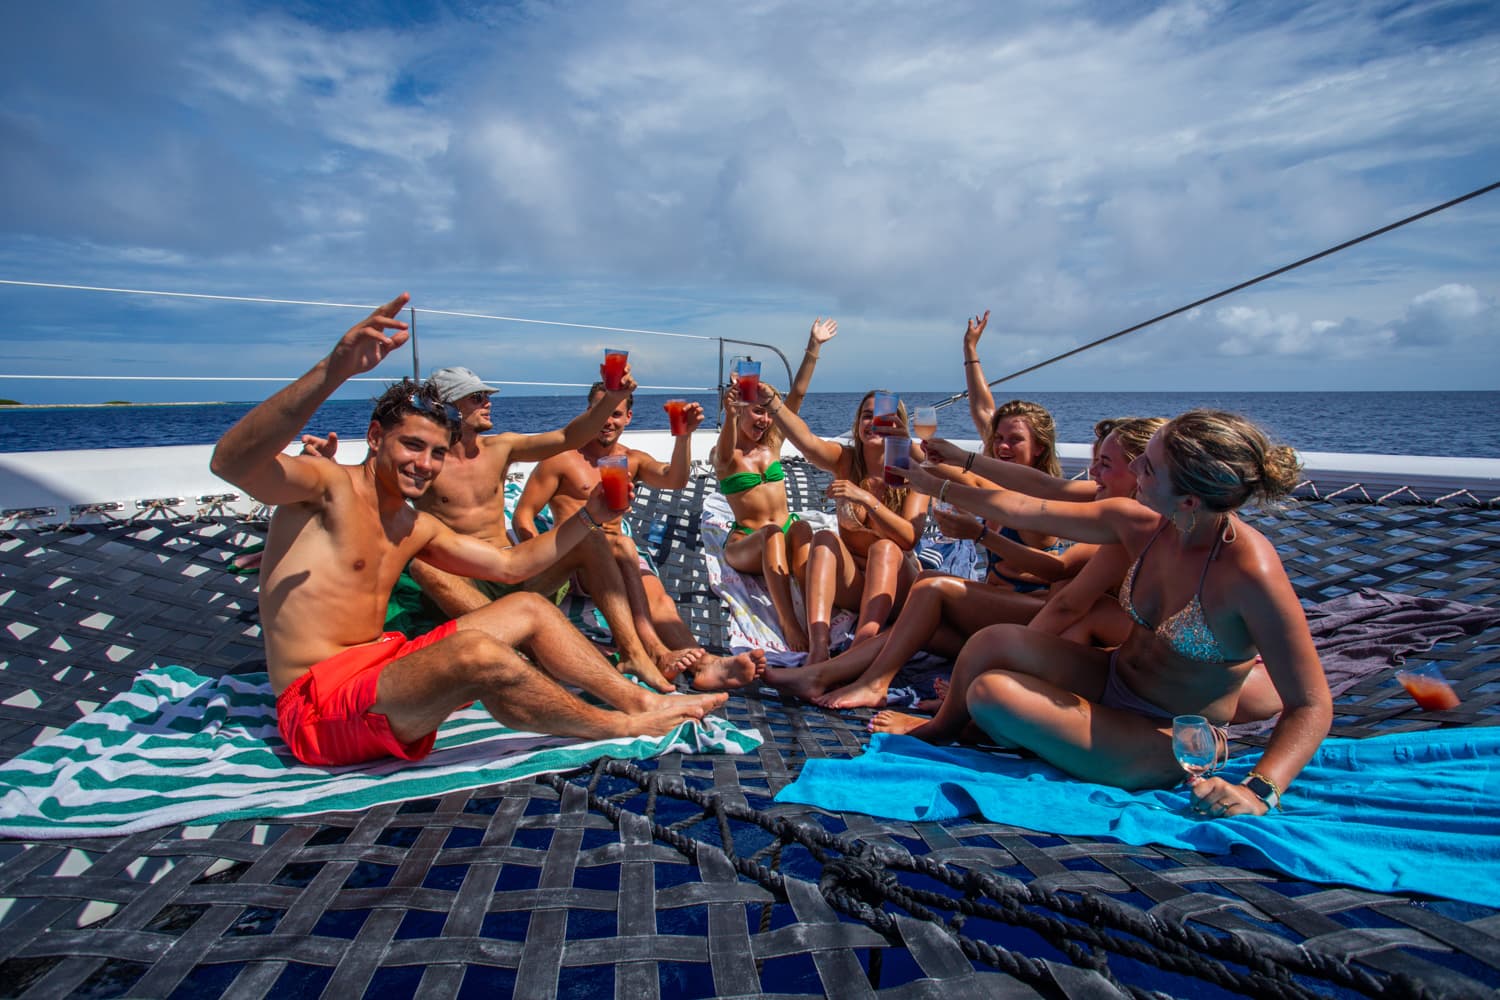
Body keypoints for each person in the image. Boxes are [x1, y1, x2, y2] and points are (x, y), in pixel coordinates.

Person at [210, 293, 725, 768]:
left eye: (436, 452)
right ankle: (619, 725)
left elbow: (511, 566)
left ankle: (642, 698)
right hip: (319, 706)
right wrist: (334, 370)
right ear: (373, 438)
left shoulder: (414, 523)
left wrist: (590, 515)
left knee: (527, 606)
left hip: (382, 666)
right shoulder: (326, 485)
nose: (426, 464)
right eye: (412, 446)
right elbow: (232, 463)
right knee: (478, 653)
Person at [894, 410, 1331, 815]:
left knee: (991, 693)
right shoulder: (1142, 522)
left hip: (1168, 733)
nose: (1137, 469)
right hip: (1113, 676)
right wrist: (933, 483)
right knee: (995, 641)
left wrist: (1260, 790)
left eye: (1150, 466)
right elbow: (1029, 506)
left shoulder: (1249, 574)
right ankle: (941, 729)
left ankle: (1050, 738)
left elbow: (1310, 703)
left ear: (1190, 500)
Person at [773, 417, 1164, 710]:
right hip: (1039, 619)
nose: (1092, 471)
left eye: (1104, 464)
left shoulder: (1132, 520)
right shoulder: (1112, 505)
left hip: (1063, 634)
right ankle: (824, 674)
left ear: (1141, 471)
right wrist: (961, 459)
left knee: (932, 588)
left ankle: (884, 686)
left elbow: (1032, 516)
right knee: (922, 617)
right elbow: (1042, 495)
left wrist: (951, 502)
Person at [403, 361, 704, 693]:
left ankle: (634, 653)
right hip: (464, 583)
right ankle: (518, 644)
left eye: (486, 396)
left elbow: (565, 436)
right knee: (421, 564)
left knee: (593, 538)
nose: (488, 402)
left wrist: (613, 396)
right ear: (445, 405)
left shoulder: (500, 448)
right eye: (475, 398)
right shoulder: (424, 463)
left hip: (510, 569)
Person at [513, 383, 766, 690]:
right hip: (575, 560)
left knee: (659, 598)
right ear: (588, 413)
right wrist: (535, 558)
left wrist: (683, 437)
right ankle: (656, 651)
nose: (608, 420)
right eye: (600, 411)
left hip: (622, 559)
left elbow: (675, 480)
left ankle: (704, 665)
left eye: (615, 413)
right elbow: (523, 514)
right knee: (622, 544)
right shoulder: (562, 459)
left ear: (629, 417)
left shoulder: (631, 459)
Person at [758, 387, 929, 664]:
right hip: (856, 582)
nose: (873, 423)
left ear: (898, 425)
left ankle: (860, 648)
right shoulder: (846, 461)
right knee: (824, 537)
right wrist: (773, 403)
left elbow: (909, 539)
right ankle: (819, 648)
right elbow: (807, 442)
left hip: (896, 585)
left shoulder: (914, 472)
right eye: (867, 416)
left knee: (885, 548)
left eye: (883, 417)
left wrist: (863, 497)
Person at [712, 318, 837, 651]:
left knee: (802, 529)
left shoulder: (774, 441)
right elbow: (723, 454)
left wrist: (815, 346)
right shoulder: (725, 453)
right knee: (771, 533)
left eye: (767, 413)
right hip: (748, 542)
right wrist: (729, 415)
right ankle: (788, 623)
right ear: (739, 411)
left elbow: (796, 394)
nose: (765, 420)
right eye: (756, 413)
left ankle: (816, 620)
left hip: (785, 533)